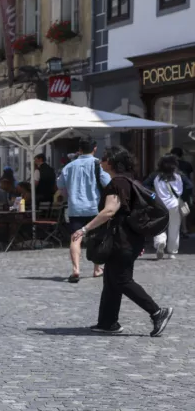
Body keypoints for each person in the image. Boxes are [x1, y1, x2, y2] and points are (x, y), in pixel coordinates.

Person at [72, 146, 173, 336]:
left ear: (110, 162)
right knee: (111, 281)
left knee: (122, 280)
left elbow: (110, 210)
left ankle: (158, 312)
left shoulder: (117, 183)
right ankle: (108, 323)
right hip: (128, 239)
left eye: (103, 158)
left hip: (121, 241)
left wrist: (84, 229)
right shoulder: (129, 181)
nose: (100, 161)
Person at [57, 138, 111, 284]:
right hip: (94, 208)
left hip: (75, 208)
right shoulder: (97, 165)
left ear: (79, 150)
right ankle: (97, 268)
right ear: (94, 148)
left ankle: (76, 269)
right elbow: (108, 183)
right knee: (97, 238)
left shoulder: (69, 166)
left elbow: (60, 185)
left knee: (75, 238)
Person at [150, 154, 184, 260]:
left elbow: (145, 186)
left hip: (160, 205)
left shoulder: (155, 176)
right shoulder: (178, 176)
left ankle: (160, 241)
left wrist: (153, 196)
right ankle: (172, 252)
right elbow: (189, 186)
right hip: (174, 205)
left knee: (159, 226)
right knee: (174, 228)